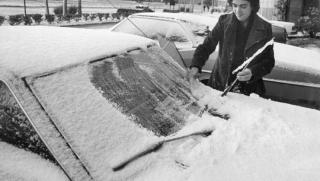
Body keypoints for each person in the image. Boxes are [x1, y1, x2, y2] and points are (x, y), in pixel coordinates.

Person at [187, 0, 275, 96]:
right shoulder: (224, 22)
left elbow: (268, 61)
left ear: (253, 6)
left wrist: (252, 72)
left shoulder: (265, 28)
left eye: (243, 6)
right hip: (220, 85)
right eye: (235, 6)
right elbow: (206, 46)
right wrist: (195, 66)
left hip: (249, 91)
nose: (238, 11)